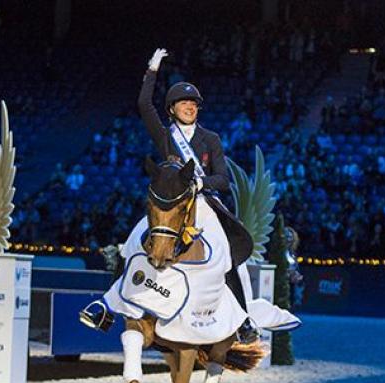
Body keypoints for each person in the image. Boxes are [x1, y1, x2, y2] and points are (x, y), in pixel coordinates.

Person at [84, 48, 256, 340]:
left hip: (201, 202)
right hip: (169, 204)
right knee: (131, 244)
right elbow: (143, 104)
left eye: (193, 103)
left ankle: (243, 322)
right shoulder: (165, 136)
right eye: (183, 103)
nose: (189, 107)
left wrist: (200, 184)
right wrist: (152, 71)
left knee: (226, 253)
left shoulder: (211, 139)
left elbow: (223, 180)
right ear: (172, 109)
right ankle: (105, 308)